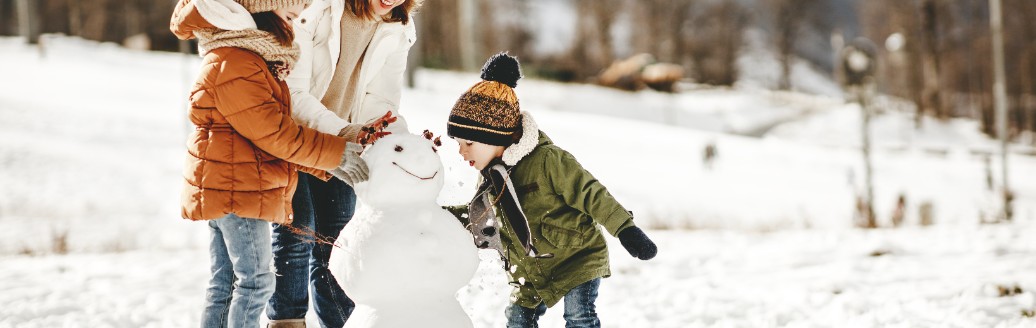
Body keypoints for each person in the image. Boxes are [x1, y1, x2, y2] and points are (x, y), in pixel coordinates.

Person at [169, 0, 372, 326]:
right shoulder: (237, 63)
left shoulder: (243, 58)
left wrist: (326, 164)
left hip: (229, 184)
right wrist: (335, 152)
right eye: (290, 17)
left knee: (228, 282)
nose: (293, 27)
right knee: (256, 280)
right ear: (264, 11)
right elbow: (276, 134)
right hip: (237, 188)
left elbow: (272, 140)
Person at [444, 53, 659, 328]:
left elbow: (591, 193)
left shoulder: (548, 161)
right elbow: (480, 220)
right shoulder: (490, 179)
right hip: (531, 271)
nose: (461, 152)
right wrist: (434, 219)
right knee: (518, 320)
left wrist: (626, 229)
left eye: (468, 142)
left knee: (578, 314)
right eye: (458, 143)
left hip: (576, 258)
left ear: (494, 136)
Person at [266, 0, 422, 327]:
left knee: (337, 247)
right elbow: (293, 92)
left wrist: (397, 143)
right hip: (294, 137)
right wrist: (347, 132)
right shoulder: (320, 8)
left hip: (342, 146)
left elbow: (381, 103)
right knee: (297, 234)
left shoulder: (398, 26)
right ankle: (286, 322)